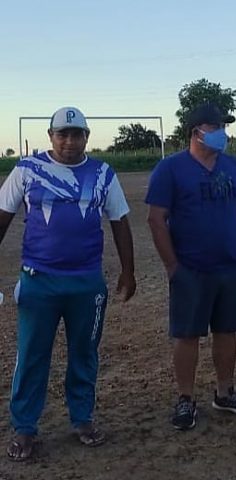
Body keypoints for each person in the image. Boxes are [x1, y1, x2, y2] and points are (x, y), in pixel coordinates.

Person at [0, 107, 136, 460]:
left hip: (86, 282)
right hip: (38, 280)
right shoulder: (27, 170)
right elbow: (2, 217)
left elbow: (120, 221)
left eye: (77, 134)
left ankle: (83, 419)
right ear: (51, 136)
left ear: (87, 137)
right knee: (32, 354)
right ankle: (25, 427)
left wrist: (128, 271)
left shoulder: (102, 173)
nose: (70, 141)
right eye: (63, 134)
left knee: (84, 352)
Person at [146, 103, 236, 431]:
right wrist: (172, 266)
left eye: (224, 127)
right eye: (216, 127)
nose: (223, 133)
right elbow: (156, 219)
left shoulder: (233, 167)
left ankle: (225, 392)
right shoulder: (170, 169)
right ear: (196, 132)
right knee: (187, 334)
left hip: (232, 265)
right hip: (191, 268)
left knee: (227, 330)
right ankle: (185, 398)